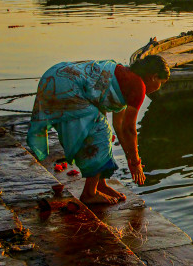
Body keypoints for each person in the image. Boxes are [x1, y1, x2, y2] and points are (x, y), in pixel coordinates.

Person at [28, 55, 169, 205]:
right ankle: (89, 193)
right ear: (154, 77)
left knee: (105, 132)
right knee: (100, 133)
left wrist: (130, 158)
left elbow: (119, 127)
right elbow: (129, 129)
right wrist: (136, 162)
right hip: (66, 83)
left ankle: (100, 185)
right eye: (161, 83)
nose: (159, 88)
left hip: (55, 75)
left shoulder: (125, 76)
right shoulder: (138, 86)